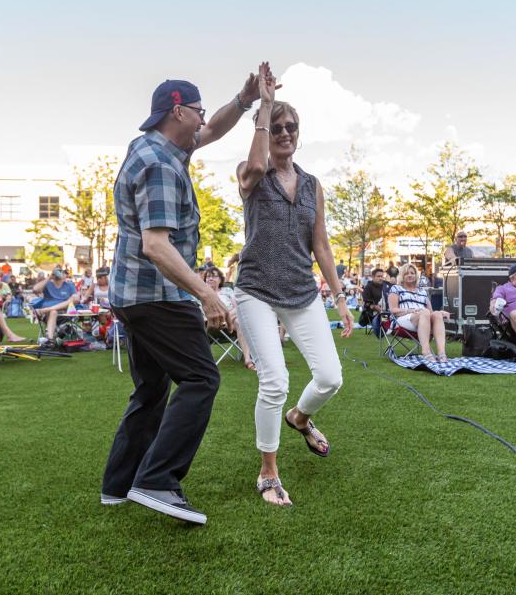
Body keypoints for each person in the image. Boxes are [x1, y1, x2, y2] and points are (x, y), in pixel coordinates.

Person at [102, 70, 259, 525]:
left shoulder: (154, 146)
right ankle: (157, 480)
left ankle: (118, 485)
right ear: (178, 112)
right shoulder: (161, 166)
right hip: (157, 297)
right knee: (201, 380)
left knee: (151, 390)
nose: (203, 120)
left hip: (130, 296)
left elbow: (209, 132)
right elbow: (156, 245)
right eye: (198, 111)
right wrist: (207, 296)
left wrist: (244, 100)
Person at [233, 71, 354, 508]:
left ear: (299, 136)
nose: (284, 133)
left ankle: (299, 419)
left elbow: (320, 243)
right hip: (256, 289)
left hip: (302, 291)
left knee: (330, 377)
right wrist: (264, 105)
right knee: (275, 380)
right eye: (277, 127)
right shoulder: (252, 173)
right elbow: (257, 167)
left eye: (291, 127)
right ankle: (269, 470)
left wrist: (340, 298)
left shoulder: (312, 185)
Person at [387, 263, 448, 360]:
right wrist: (410, 310)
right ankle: (426, 351)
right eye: (406, 273)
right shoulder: (396, 288)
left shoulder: (422, 291)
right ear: (402, 276)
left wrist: (441, 312)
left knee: (436, 314)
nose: (410, 275)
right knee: (424, 312)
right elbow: (393, 310)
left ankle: (442, 353)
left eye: (412, 273)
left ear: (416, 275)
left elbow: (430, 312)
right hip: (402, 318)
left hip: (424, 318)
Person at [202, 267, 254, 371]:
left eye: (214, 276)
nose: (210, 279)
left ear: (220, 279)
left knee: (240, 320)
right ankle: (252, 358)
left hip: (231, 324)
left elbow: (237, 307)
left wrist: (227, 317)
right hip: (213, 324)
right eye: (208, 277)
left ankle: (247, 359)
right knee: (243, 320)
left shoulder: (227, 290)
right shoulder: (202, 293)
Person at [31, 267, 79, 343]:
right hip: (47, 315)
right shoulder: (48, 284)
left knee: (73, 298)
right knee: (53, 312)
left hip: (64, 314)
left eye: (61, 271)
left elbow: (76, 299)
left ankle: (49, 338)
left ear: (65, 275)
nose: (59, 273)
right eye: (58, 271)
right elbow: (35, 290)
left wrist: (47, 309)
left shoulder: (69, 285)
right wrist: (49, 277)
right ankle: (50, 340)